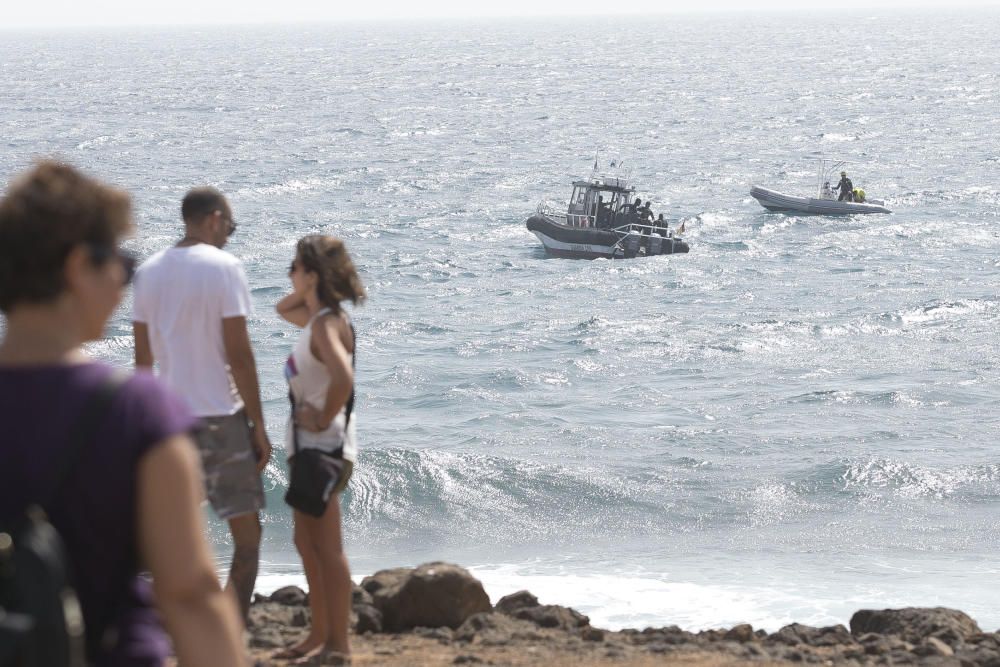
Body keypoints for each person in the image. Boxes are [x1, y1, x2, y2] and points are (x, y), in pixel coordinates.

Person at [0, 161, 246, 666]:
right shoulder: (136, 410)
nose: (124, 280)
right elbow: (190, 593)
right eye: (121, 262)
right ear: (76, 265)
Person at [132, 186, 271, 623]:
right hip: (220, 418)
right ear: (214, 219)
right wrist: (259, 426)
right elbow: (240, 355)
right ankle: (228, 636)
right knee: (246, 539)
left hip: (168, 421)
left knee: (165, 534)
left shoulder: (149, 272)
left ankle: (152, 622)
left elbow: (142, 363)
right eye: (230, 226)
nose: (230, 235)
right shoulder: (224, 267)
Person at [274, 235, 366, 664]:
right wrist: (306, 284)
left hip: (324, 449)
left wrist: (321, 417)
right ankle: (319, 634)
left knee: (327, 548)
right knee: (305, 541)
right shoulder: (317, 318)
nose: (289, 274)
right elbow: (283, 308)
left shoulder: (328, 323)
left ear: (312, 274)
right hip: (310, 450)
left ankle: (339, 648)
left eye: (295, 267)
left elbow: (343, 379)